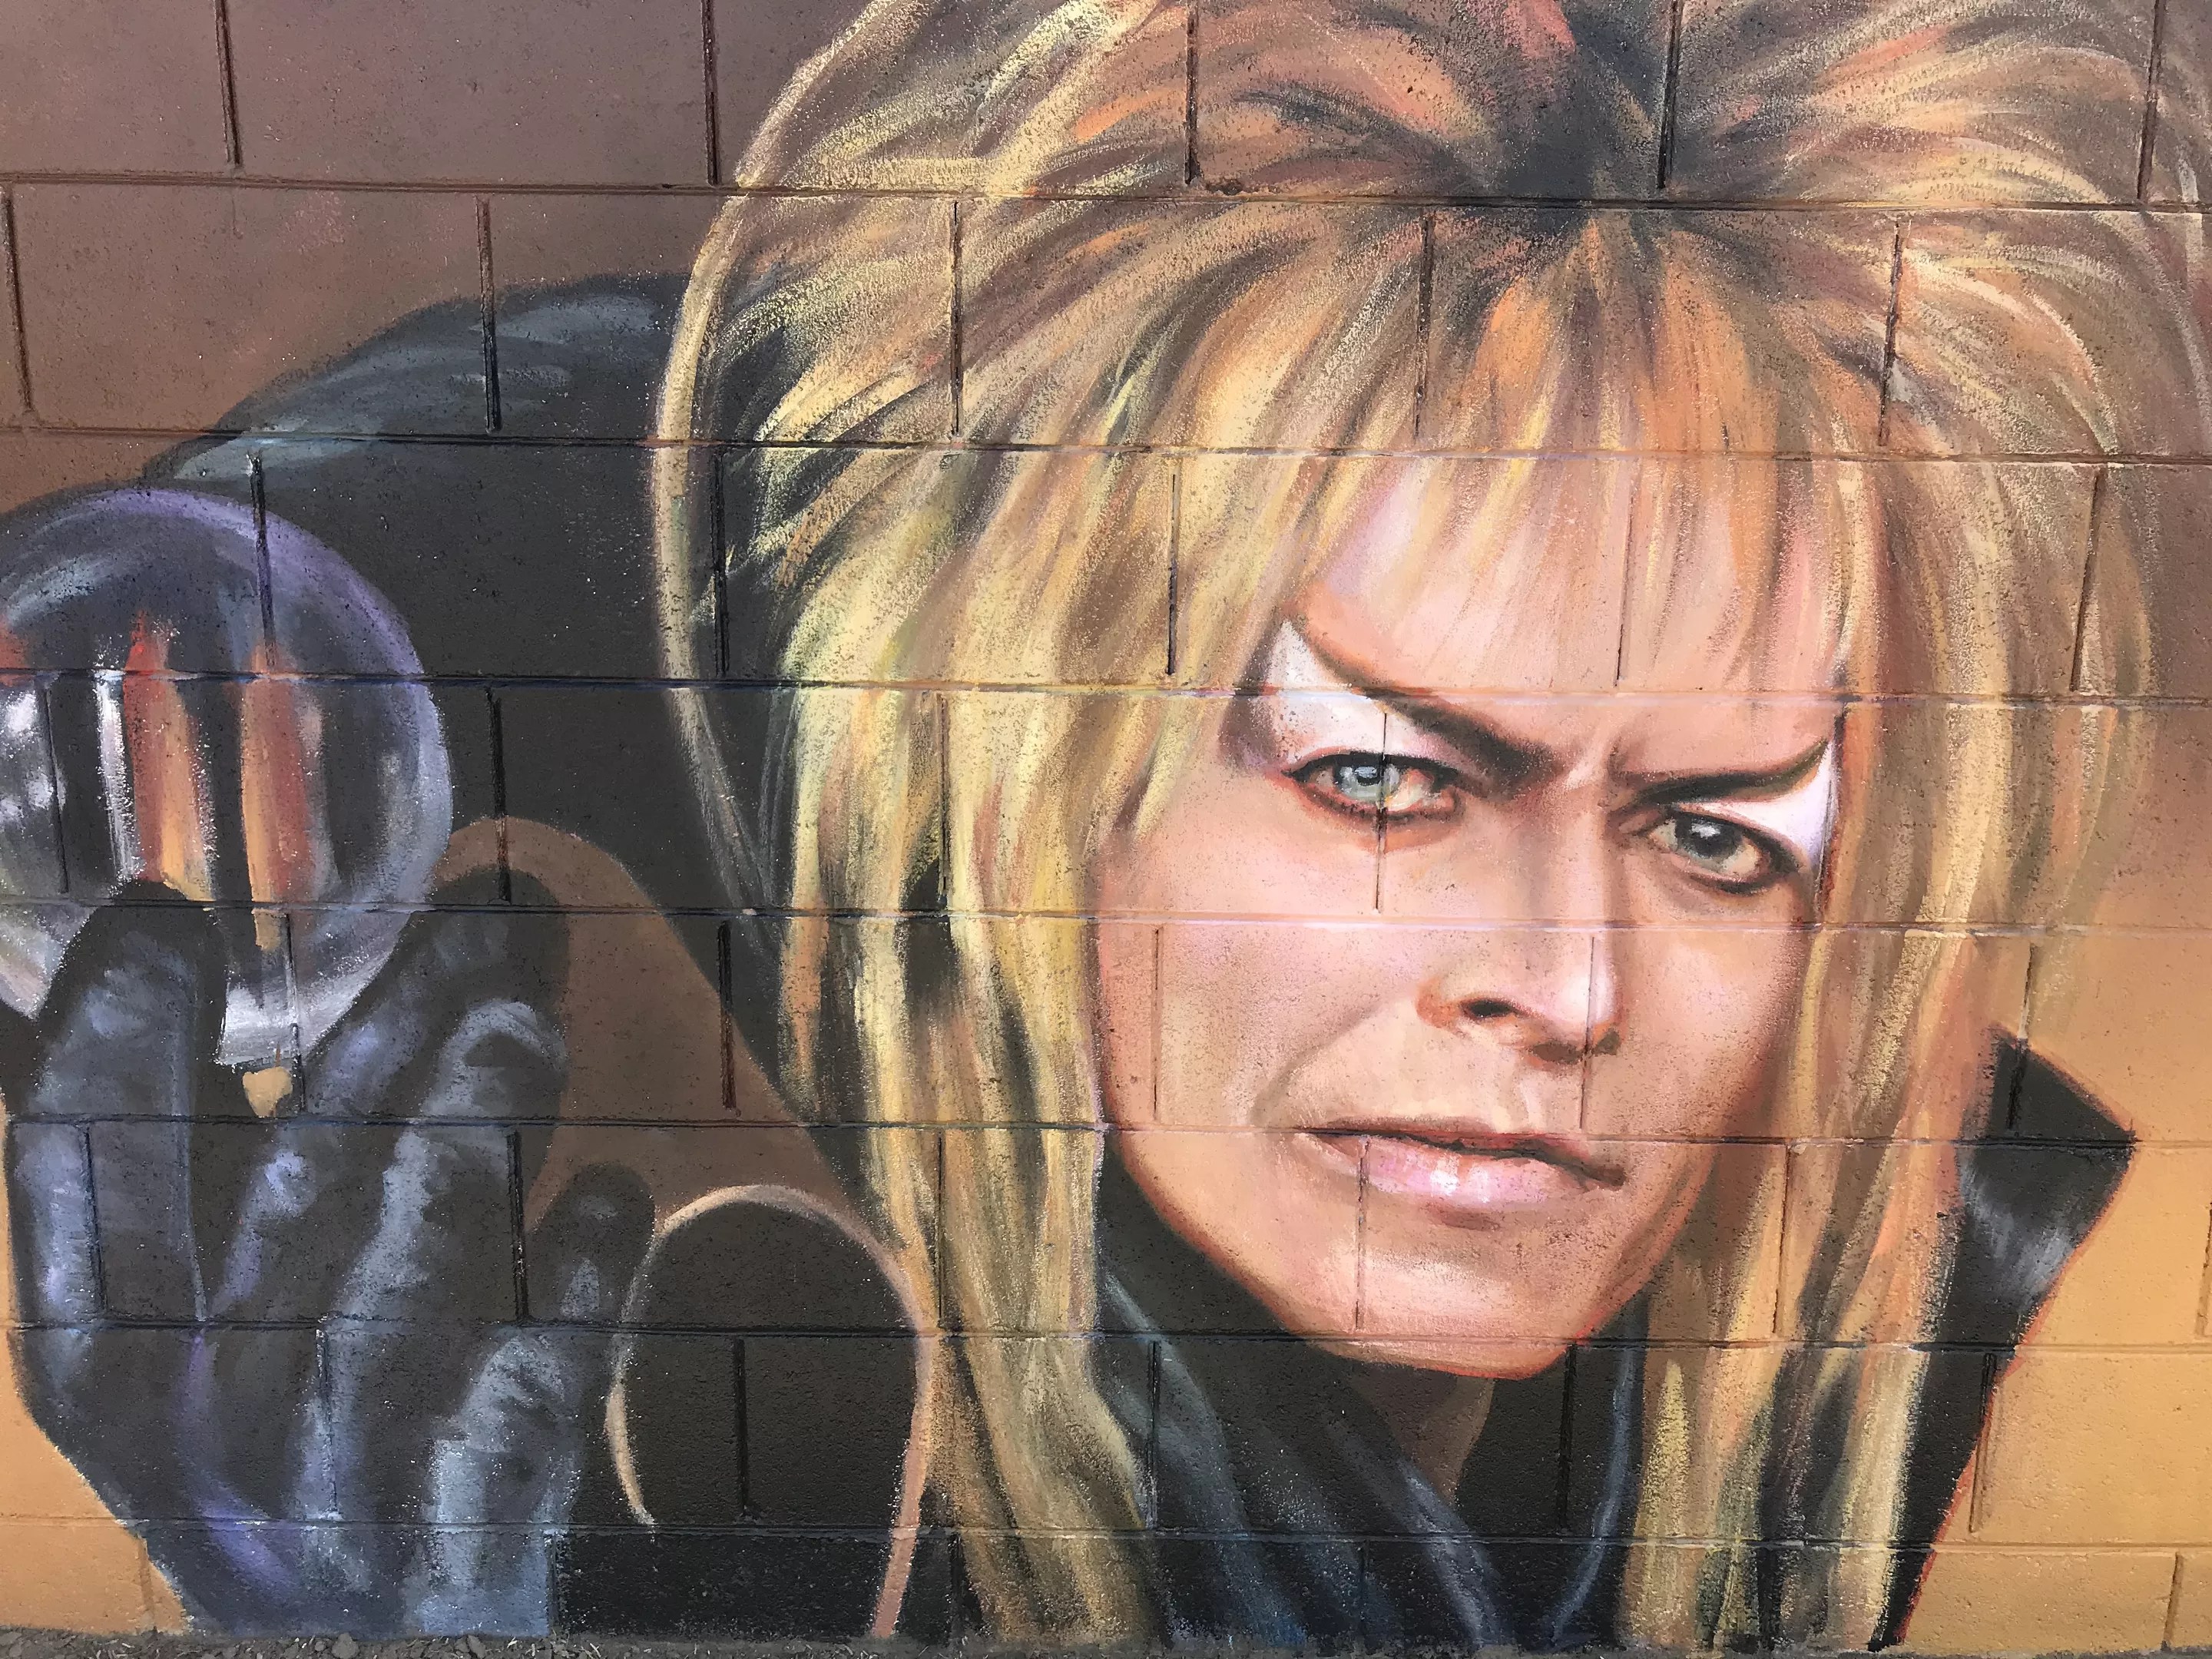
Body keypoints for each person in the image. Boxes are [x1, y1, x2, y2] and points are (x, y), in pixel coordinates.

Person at [2, 0, 2205, 1646]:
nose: (1568, 982)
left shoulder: (1799, 1426)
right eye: (1382, 777)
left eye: (1717, 837)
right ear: (1008, 775)